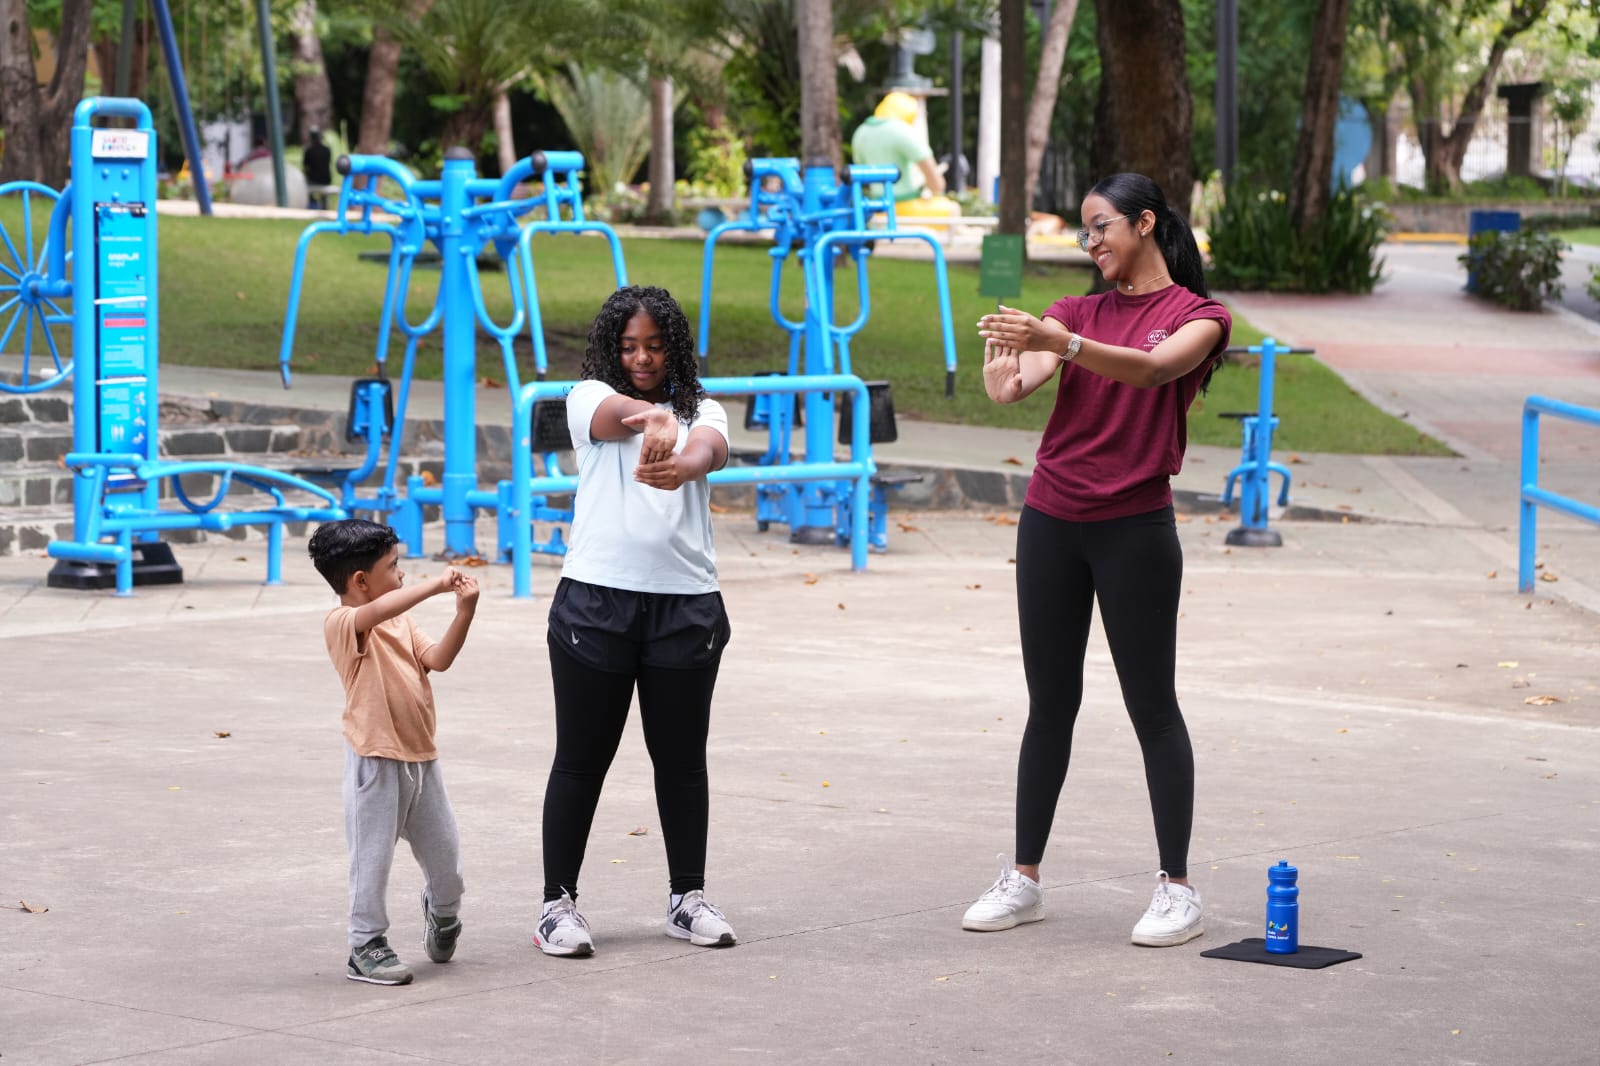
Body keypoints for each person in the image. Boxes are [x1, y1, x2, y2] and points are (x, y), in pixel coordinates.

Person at [964, 172, 1232, 948]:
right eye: (1083, 232)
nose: (1091, 244)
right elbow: (1022, 382)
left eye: (1101, 227)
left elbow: (1150, 371)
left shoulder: (1200, 317)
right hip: (1051, 518)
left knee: (1153, 706)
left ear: (1145, 223)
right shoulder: (1073, 310)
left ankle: (1176, 888)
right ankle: (1024, 879)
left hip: (1135, 528)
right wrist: (1004, 368)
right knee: (1050, 703)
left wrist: (1063, 343)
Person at [534, 285, 737, 958]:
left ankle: (688, 899)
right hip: (597, 602)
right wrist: (650, 421)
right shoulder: (588, 397)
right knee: (581, 760)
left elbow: (708, 448)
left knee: (682, 762)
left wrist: (682, 461)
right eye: (629, 347)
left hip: (686, 605)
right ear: (610, 350)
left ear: (674, 345)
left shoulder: (705, 410)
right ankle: (556, 905)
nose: (642, 358)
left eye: (654, 346)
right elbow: (621, 412)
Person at [308, 519, 479, 985]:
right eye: (395, 565)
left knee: (449, 866)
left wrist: (463, 611)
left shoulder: (401, 620)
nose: (402, 573)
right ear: (360, 580)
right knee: (371, 862)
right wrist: (439, 584)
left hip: (422, 760)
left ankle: (443, 913)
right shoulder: (343, 623)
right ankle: (365, 945)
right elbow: (375, 613)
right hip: (374, 762)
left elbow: (438, 659)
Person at [849, 91, 958, 218]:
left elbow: (862, 175)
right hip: (904, 207)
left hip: (875, 208)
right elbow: (937, 185)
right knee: (953, 209)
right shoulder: (903, 131)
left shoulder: (860, 132)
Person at [303, 128, 333, 209]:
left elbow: (306, 167)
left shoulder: (309, 150)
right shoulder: (327, 150)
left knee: (306, 184)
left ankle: (313, 204)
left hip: (313, 179)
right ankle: (324, 205)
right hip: (326, 179)